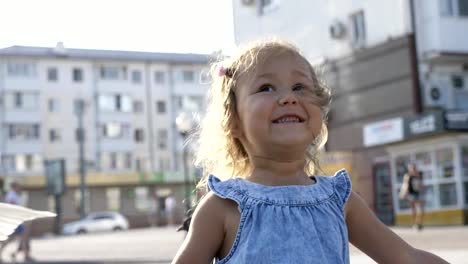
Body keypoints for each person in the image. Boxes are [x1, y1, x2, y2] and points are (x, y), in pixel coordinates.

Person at [171, 39, 448, 263]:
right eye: (266, 87)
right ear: (233, 121)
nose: (289, 97)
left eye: (300, 87)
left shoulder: (339, 200)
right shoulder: (223, 206)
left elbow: (406, 257)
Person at [0, 182, 33, 262]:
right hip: (14, 219)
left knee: (20, 238)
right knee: (20, 237)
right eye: (18, 186)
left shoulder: (15, 194)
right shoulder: (11, 195)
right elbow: (12, 206)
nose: (20, 188)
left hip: (16, 219)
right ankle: (25, 255)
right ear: (14, 187)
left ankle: (23, 255)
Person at [400, 163, 425, 231]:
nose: (413, 169)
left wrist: (423, 189)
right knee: (413, 210)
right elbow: (405, 185)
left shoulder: (419, 175)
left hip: (418, 193)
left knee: (421, 209)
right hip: (411, 194)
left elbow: (421, 184)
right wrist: (403, 193)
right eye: (411, 168)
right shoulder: (408, 176)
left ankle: (419, 223)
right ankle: (414, 224)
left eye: (414, 168)